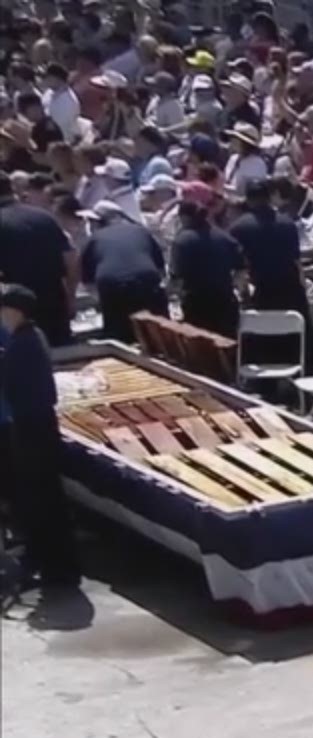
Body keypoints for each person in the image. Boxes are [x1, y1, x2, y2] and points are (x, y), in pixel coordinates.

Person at [0, 285, 79, 589]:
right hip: (42, 425)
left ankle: (53, 569)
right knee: (48, 499)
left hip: (31, 428)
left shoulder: (22, 345)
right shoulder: (34, 337)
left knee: (41, 502)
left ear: (14, 310)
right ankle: (55, 566)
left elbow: (13, 384)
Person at [0, 175, 78, 346]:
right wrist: (71, 298)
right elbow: (71, 259)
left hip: (17, 315)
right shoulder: (44, 217)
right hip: (55, 307)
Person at [79, 203, 166, 341]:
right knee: (160, 333)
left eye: (91, 221)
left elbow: (88, 283)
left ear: (98, 223)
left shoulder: (93, 240)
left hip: (113, 285)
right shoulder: (140, 230)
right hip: (147, 280)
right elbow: (160, 269)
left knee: (119, 338)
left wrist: (101, 301)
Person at [227, 178, 308, 321]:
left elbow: (241, 273)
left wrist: (245, 297)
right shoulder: (288, 224)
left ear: (248, 199)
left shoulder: (238, 228)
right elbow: (297, 263)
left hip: (262, 299)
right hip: (293, 297)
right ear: (270, 197)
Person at [166, 197, 242, 335]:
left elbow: (176, 278)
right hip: (225, 303)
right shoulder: (224, 237)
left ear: (184, 217)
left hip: (197, 306)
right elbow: (240, 269)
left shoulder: (182, 241)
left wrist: (171, 296)